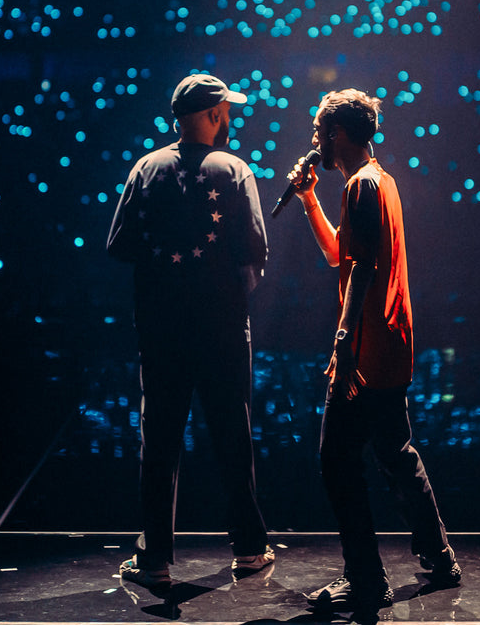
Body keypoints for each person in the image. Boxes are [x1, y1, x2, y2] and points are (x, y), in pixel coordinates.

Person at [287, 88, 461, 610]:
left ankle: (365, 579)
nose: (315, 140)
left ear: (336, 133)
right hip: (390, 343)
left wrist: (343, 342)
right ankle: (439, 557)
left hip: (365, 349)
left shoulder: (363, 185)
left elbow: (360, 269)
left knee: (336, 461)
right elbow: (340, 254)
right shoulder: (377, 181)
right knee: (395, 453)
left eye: (319, 131)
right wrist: (308, 199)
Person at [106, 73, 275, 589]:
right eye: (227, 110)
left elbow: (118, 245)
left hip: (160, 330)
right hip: (223, 328)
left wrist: (165, 263)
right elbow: (256, 250)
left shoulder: (145, 168)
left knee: (159, 441)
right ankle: (249, 549)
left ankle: (155, 558)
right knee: (232, 435)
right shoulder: (235, 169)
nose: (230, 118)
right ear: (214, 113)